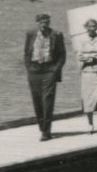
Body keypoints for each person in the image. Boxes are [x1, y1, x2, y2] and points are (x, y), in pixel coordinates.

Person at [23, 13, 66, 141]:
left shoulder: (56, 35)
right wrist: (28, 67)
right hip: (34, 70)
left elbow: (62, 55)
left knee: (47, 101)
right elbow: (26, 52)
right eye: (42, 23)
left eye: (46, 23)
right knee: (36, 100)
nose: (44, 25)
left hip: (49, 70)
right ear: (37, 23)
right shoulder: (31, 33)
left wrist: (55, 70)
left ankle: (46, 132)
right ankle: (42, 127)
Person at [76, 18, 97, 133]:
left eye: (94, 26)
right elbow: (80, 55)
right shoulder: (82, 40)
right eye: (90, 26)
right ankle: (90, 124)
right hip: (87, 73)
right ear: (86, 28)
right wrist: (93, 56)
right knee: (88, 98)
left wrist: (91, 55)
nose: (92, 28)